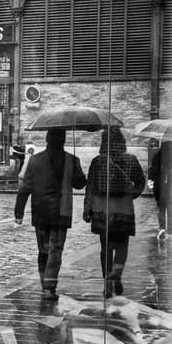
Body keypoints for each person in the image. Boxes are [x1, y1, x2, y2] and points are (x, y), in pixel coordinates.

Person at [13, 127, 87, 299]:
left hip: (40, 211)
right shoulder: (71, 159)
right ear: (63, 140)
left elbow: (25, 188)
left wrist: (19, 212)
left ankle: (44, 282)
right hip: (61, 212)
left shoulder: (35, 160)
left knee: (43, 250)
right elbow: (80, 184)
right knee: (56, 250)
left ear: (47, 139)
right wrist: (77, 168)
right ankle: (49, 286)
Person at [83, 126, 146, 298]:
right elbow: (141, 183)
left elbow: (90, 187)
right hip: (124, 208)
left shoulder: (98, 162)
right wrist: (130, 195)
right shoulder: (131, 160)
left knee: (106, 248)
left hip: (103, 209)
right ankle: (116, 273)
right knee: (122, 246)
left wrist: (87, 209)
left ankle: (107, 283)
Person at [148, 139, 172, 242]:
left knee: (161, 208)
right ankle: (170, 231)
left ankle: (162, 228)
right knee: (171, 209)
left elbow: (153, 170)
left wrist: (151, 179)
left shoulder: (159, 153)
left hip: (161, 186)